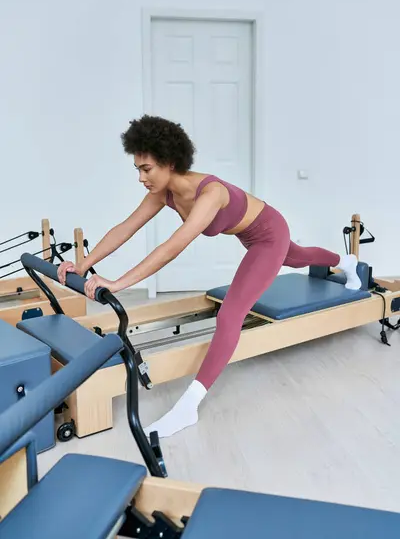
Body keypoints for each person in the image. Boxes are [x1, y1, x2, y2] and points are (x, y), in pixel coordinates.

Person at [57, 114, 361, 438]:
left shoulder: (211, 193)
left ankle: (189, 406)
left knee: (231, 315)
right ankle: (347, 261)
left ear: (169, 162)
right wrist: (84, 263)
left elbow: (173, 246)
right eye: (138, 170)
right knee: (299, 258)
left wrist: (118, 283)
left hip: (270, 234)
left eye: (146, 169)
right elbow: (125, 228)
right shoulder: (164, 194)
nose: (141, 178)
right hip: (254, 235)